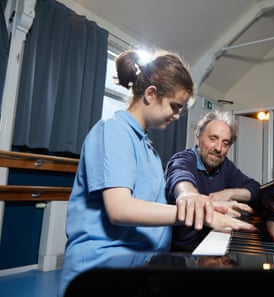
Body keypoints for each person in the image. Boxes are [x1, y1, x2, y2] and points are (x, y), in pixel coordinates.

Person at [58, 50, 256, 297]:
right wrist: (195, 215)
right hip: (103, 272)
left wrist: (208, 206)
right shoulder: (114, 131)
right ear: (150, 94)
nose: (176, 116)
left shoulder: (148, 148)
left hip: (142, 268)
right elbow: (120, 209)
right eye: (175, 107)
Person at [164, 110, 261, 252]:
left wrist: (229, 193)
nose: (218, 148)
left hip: (213, 242)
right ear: (198, 139)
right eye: (213, 138)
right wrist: (189, 195)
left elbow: (255, 189)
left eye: (225, 143)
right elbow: (180, 176)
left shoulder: (225, 165)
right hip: (183, 254)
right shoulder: (184, 159)